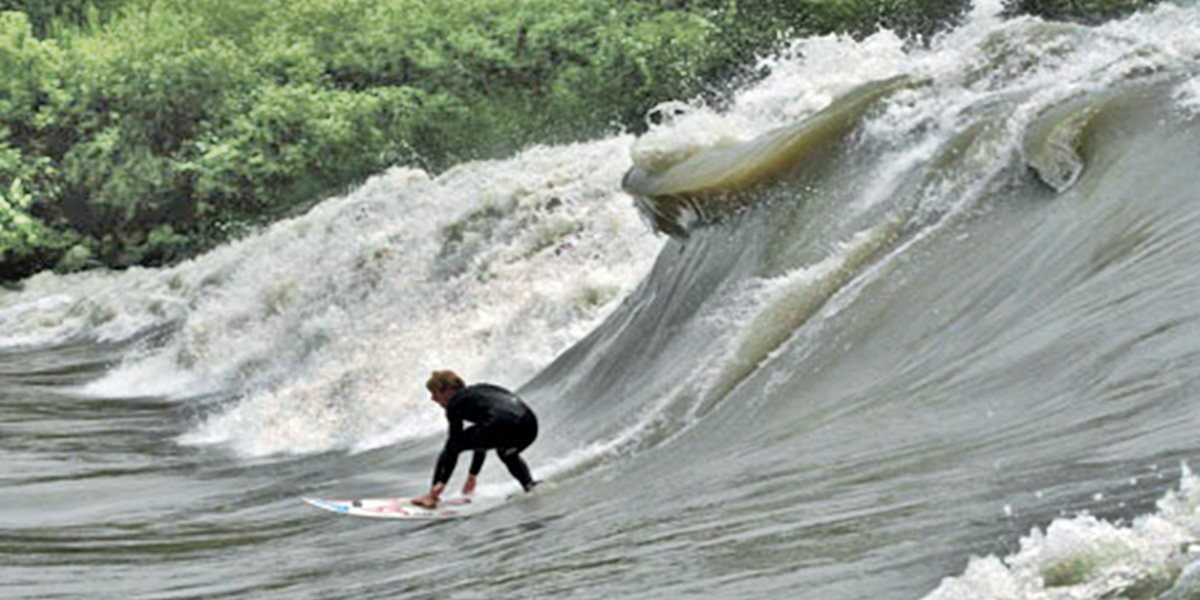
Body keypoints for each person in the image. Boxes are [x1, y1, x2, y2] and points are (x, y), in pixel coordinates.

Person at [411, 370, 539, 508]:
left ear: (447, 390)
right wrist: (473, 475)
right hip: (529, 425)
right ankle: (530, 486)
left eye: (434, 393)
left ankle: (432, 497)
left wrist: (441, 482)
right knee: (506, 453)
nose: (433, 399)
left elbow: (454, 444)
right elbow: (482, 439)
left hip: (500, 425)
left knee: (453, 445)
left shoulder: (455, 403)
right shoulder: (481, 392)